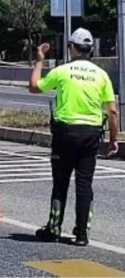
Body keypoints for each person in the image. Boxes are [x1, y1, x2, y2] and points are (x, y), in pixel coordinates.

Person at [28, 28, 119, 246]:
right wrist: (113, 139)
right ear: (90, 49)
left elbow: (34, 87)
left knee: (60, 183)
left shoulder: (62, 71)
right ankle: (81, 234)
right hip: (91, 135)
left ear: (72, 48)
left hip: (65, 133)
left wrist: (40, 61)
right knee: (84, 185)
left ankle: (54, 228)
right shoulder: (101, 75)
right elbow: (112, 111)